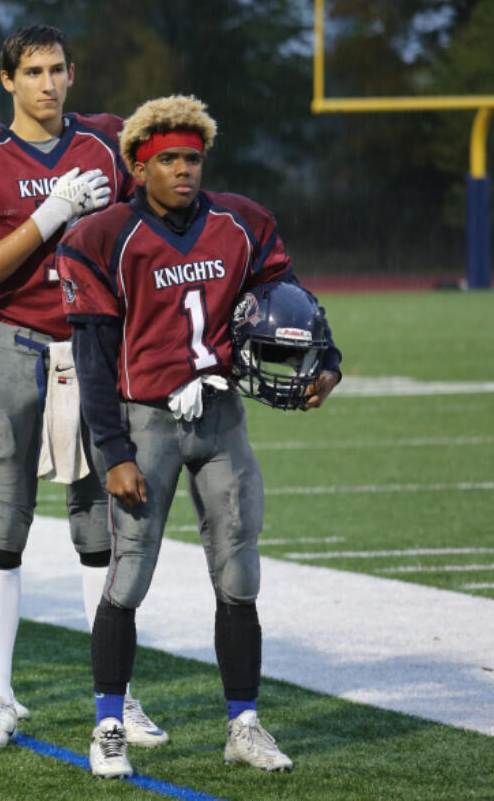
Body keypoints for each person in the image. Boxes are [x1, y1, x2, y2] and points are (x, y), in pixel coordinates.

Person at [55, 94, 342, 777]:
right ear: (138, 164)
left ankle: (243, 721)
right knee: (128, 576)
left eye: (192, 158)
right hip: (144, 420)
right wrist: (113, 452)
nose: (183, 170)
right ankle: (108, 723)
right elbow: (92, 360)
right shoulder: (100, 236)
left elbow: (291, 297)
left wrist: (326, 360)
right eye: (168, 160)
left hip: (219, 417)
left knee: (239, 570)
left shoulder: (239, 222)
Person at [0, 24, 166, 751]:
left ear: (73, 72)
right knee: (3, 520)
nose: (48, 83)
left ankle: (116, 692)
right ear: (8, 79)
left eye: (58, 69)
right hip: (15, 345)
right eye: (33, 71)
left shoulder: (108, 141)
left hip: (95, 349)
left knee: (102, 524)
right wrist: (51, 212)